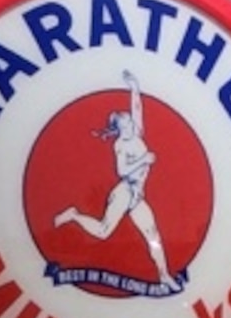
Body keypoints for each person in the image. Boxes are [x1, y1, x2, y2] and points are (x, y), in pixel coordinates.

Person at [53, 71, 171, 284]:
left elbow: (137, 109)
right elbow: (122, 171)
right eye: (125, 125)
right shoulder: (121, 145)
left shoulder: (137, 133)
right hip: (124, 191)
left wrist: (134, 88)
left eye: (130, 123)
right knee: (103, 232)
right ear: (118, 130)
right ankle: (74, 216)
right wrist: (144, 158)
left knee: (153, 235)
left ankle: (164, 276)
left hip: (137, 195)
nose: (131, 126)